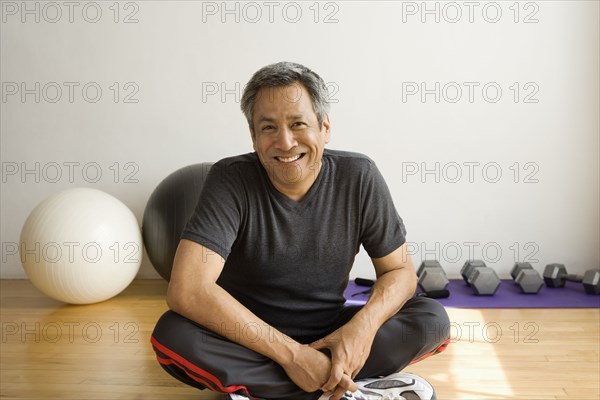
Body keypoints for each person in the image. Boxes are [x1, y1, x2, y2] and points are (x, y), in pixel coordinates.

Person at [151, 62, 450, 400]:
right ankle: (341, 385)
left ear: (324, 128)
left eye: (298, 124)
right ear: (253, 136)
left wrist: (360, 331)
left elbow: (399, 271)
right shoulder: (229, 180)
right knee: (172, 334)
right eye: (268, 128)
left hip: (328, 328)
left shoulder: (359, 176)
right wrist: (292, 356)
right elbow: (187, 289)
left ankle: (273, 387)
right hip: (249, 338)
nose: (285, 142)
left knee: (431, 319)